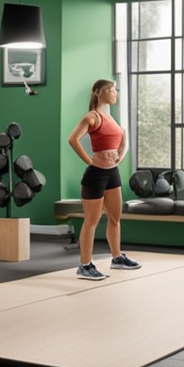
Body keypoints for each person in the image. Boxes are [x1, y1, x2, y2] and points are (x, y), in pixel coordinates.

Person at [67, 79, 141, 280]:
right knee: (92, 220)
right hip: (96, 174)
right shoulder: (93, 117)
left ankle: (117, 258)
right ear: (99, 92)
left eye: (116, 89)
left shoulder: (112, 119)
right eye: (111, 90)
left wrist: (120, 155)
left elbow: (123, 142)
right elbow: (73, 139)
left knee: (115, 218)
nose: (115, 93)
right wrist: (89, 160)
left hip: (112, 173)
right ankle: (84, 265)